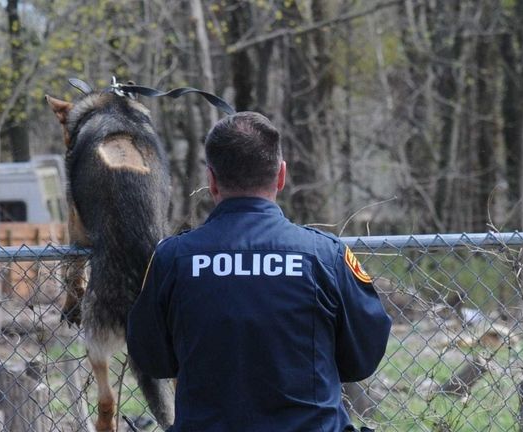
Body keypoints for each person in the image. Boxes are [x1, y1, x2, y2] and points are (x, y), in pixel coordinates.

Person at [126, 111, 391, 432]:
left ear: (211, 180)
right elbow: (363, 357)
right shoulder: (325, 256)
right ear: (281, 176)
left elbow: (151, 358)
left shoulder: (173, 259)